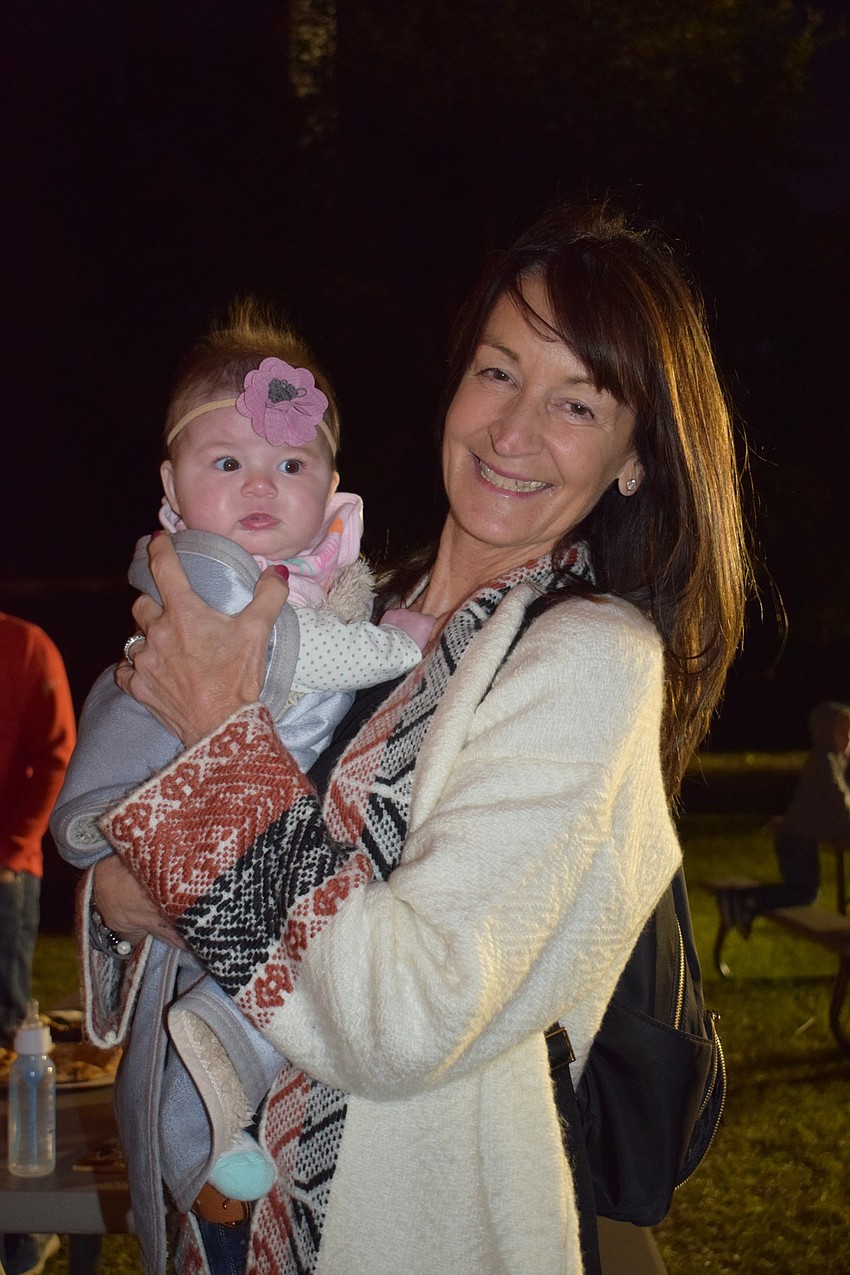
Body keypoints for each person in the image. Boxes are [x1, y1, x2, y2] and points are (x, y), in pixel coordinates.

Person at [82, 202, 749, 1275]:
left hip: (407, 1230)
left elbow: (404, 1013)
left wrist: (209, 740)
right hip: (229, 1222)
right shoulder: (347, 611)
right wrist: (114, 893)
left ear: (635, 456)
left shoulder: (588, 660)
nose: (512, 431)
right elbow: (156, 846)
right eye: (496, 372)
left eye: (576, 401)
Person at [50, 302, 432, 1270]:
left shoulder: (315, 576)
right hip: (232, 877)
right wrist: (398, 643)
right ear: (173, 493)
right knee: (220, 1033)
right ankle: (215, 1171)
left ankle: (215, 1172)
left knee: (232, 1026)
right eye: (227, 464)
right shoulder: (217, 580)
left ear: (331, 490)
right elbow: (285, 656)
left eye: (290, 465)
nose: (262, 483)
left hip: (276, 908)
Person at [0, 611, 75, 1275]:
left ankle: (24, 1231)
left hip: (4, 873)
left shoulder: (23, 645)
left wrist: (12, 845)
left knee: (7, 1048)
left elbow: (56, 752)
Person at [718, 701, 850, 936]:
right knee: (804, 894)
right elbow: (839, 802)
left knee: (802, 892)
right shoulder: (823, 762)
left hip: (799, 840)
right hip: (796, 842)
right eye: (842, 733)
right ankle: (741, 899)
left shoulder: (832, 761)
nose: (848, 739)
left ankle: (745, 905)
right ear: (824, 732)